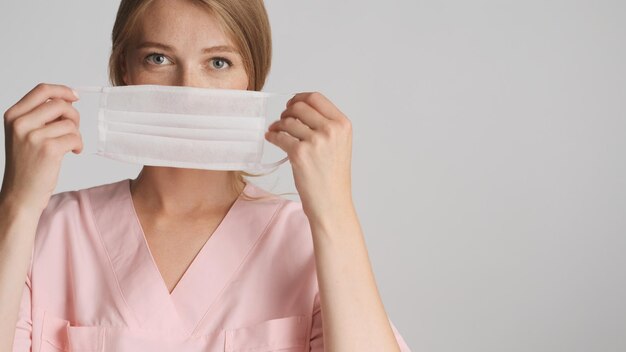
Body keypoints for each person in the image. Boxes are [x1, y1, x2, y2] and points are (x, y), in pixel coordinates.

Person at [0, 0, 411, 351]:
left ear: (253, 78)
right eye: (158, 59)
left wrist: (335, 210)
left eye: (218, 62)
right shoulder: (45, 233)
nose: (188, 90)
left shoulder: (307, 240)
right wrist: (16, 203)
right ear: (123, 69)